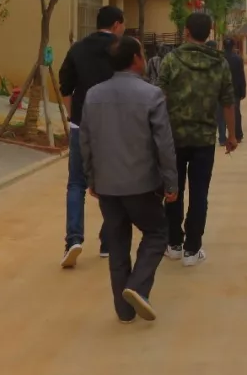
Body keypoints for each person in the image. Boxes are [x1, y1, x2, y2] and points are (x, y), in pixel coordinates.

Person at [79, 36, 178, 324]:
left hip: (107, 184)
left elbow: (85, 141)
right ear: (136, 58)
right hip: (142, 183)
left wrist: (91, 177)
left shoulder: (93, 95)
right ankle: (137, 286)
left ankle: (124, 310)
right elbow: (164, 144)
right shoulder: (152, 95)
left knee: (117, 240)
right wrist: (171, 182)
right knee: (158, 233)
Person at [158, 12, 238, 266]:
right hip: (204, 139)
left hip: (174, 137)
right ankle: (193, 249)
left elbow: (159, 98)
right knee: (199, 193)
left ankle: (174, 244)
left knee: (173, 189)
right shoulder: (219, 63)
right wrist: (231, 136)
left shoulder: (171, 60)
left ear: (186, 31)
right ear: (210, 32)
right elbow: (228, 102)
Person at [57, 5, 124, 267]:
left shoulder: (78, 49)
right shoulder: (120, 50)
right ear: (117, 24)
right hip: (113, 126)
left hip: (81, 124)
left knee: (76, 183)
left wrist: (74, 116)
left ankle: (73, 238)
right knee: (112, 183)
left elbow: (65, 85)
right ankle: (108, 241)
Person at [220, 37, 246, 145]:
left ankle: (222, 137)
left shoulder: (219, 58)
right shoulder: (238, 59)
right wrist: (243, 91)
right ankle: (237, 135)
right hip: (234, 90)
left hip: (220, 90)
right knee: (236, 113)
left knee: (221, 114)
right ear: (234, 46)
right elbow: (241, 76)